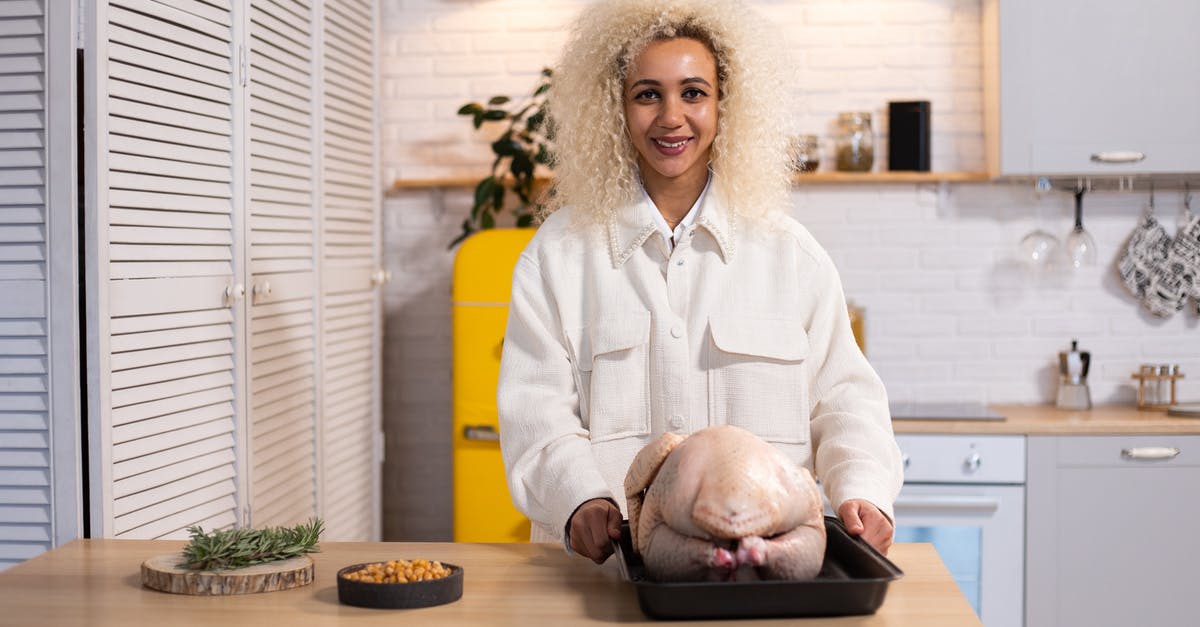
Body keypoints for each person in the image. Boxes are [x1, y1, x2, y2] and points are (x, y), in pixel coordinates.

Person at [496, 0, 903, 565]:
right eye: (647, 94)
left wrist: (864, 489)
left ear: (724, 105)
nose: (671, 116)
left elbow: (846, 401)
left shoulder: (792, 256)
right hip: (605, 578)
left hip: (761, 573)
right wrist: (579, 500)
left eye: (693, 92)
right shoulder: (557, 257)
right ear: (615, 107)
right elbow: (535, 411)